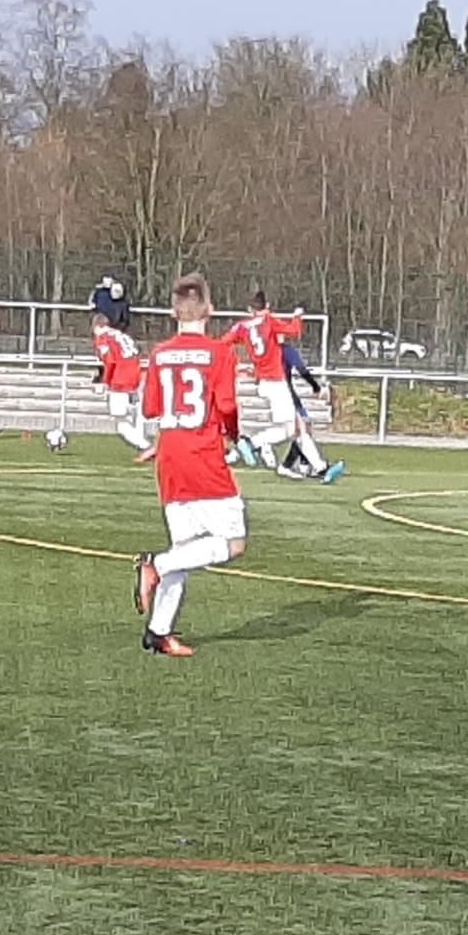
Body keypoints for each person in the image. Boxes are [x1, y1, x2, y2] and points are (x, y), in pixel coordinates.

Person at [132, 273, 246, 658]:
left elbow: (151, 409)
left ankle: (158, 633)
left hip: (170, 459)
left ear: (173, 313)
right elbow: (226, 405)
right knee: (233, 543)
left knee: (185, 548)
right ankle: (155, 565)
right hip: (204, 457)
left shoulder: (160, 353)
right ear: (210, 310)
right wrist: (233, 433)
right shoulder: (221, 353)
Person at [225, 292, 324, 475]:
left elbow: (223, 343)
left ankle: (319, 467)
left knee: (297, 427)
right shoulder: (269, 320)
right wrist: (297, 316)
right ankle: (252, 443)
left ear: (250, 309)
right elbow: (293, 331)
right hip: (276, 381)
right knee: (291, 430)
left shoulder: (242, 326)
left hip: (263, 381)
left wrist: (235, 363)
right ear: (268, 305)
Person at [275, 340, 345, 483]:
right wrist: (315, 387)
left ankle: (300, 464)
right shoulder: (285, 349)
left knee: (301, 429)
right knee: (301, 429)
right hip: (286, 394)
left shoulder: (267, 351)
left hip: (277, 393)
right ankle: (318, 468)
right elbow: (301, 369)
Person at [91, 313, 151, 454]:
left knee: (120, 421)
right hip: (137, 375)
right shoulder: (122, 335)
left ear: (97, 326)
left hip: (120, 379)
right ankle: (144, 445)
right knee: (137, 415)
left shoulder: (103, 338)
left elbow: (110, 361)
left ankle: (146, 446)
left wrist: (105, 381)